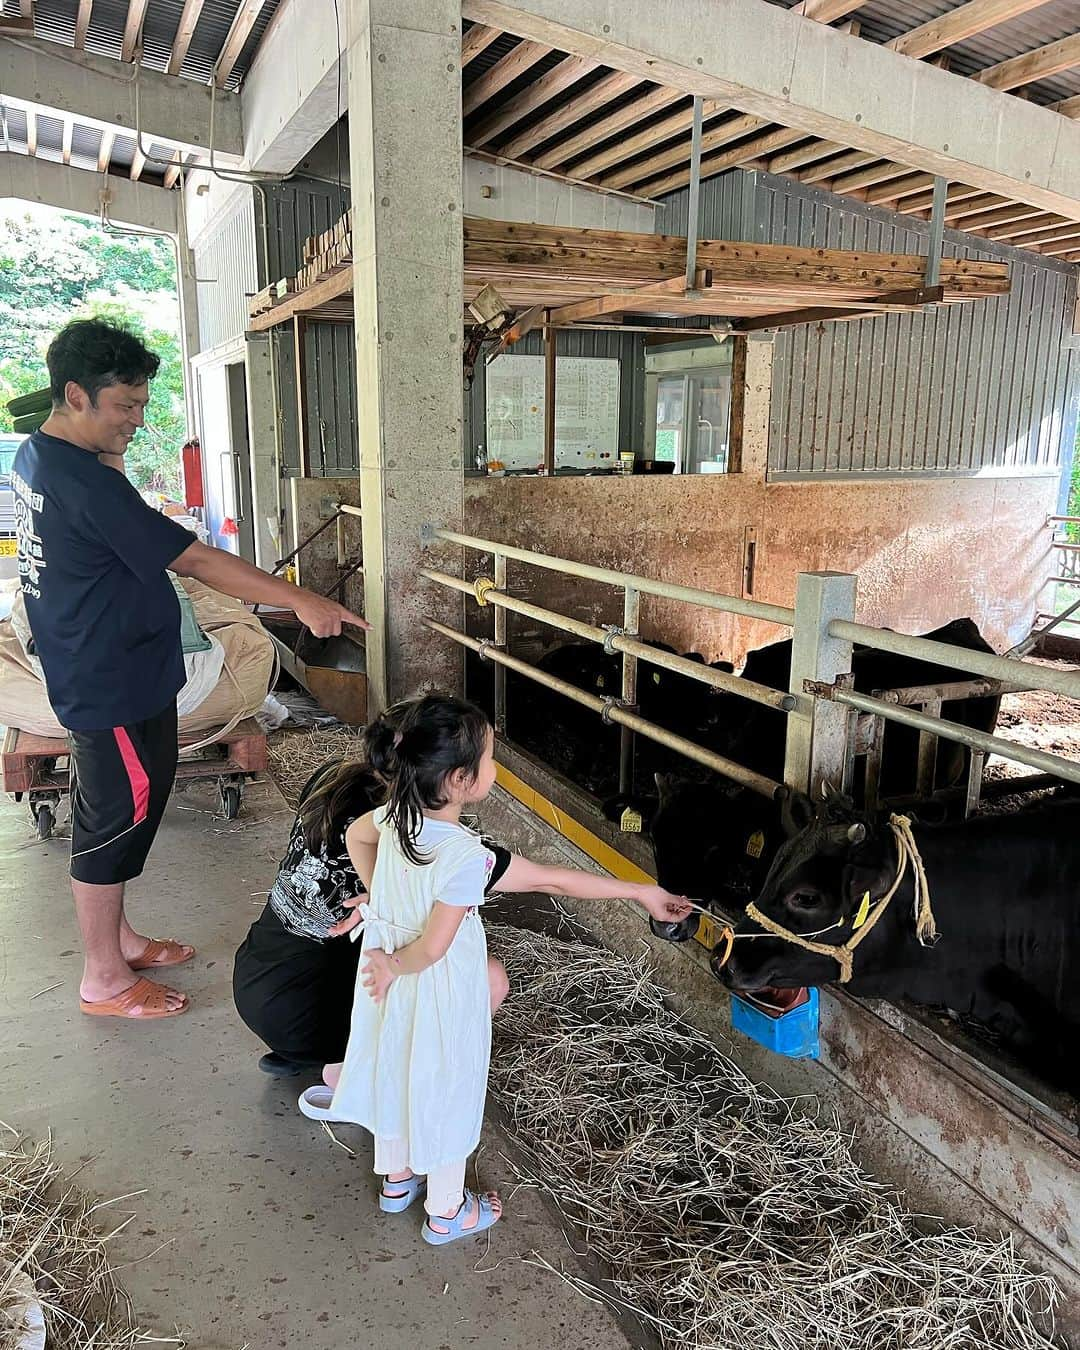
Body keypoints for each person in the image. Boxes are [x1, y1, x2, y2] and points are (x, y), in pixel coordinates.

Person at [12, 318, 369, 1023]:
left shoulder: (42, 453)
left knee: (128, 805)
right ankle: (103, 979)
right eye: (125, 407)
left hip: (110, 665)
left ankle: (121, 938)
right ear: (76, 395)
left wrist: (109, 438)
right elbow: (195, 559)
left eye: (143, 406)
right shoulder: (86, 484)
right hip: (107, 679)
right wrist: (300, 598)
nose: (138, 422)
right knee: (112, 820)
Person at [297, 693, 692, 1246]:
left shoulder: (393, 817)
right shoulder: (464, 857)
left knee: (399, 1069)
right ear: (460, 780)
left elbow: (354, 836)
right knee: (447, 1088)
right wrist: (643, 893)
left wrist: (380, 896)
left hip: (388, 984)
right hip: (433, 988)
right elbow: (457, 935)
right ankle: (447, 1212)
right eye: (489, 758)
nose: (495, 767)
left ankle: (397, 1179)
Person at [232, 754, 512, 1076]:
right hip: (306, 1021)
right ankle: (377, 1071)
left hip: (253, 984)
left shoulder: (334, 779)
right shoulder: (416, 834)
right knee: (489, 976)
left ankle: (311, 1053)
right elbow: (533, 876)